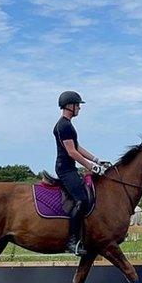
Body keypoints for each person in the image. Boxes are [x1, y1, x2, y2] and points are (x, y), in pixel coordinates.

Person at [53, 91, 105, 256]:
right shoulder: (64, 125)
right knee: (81, 200)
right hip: (65, 169)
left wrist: (96, 159)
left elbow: (77, 147)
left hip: (70, 168)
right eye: (78, 105)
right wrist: (92, 166)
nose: (79, 108)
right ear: (69, 106)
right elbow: (72, 152)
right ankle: (72, 241)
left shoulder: (68, 125)